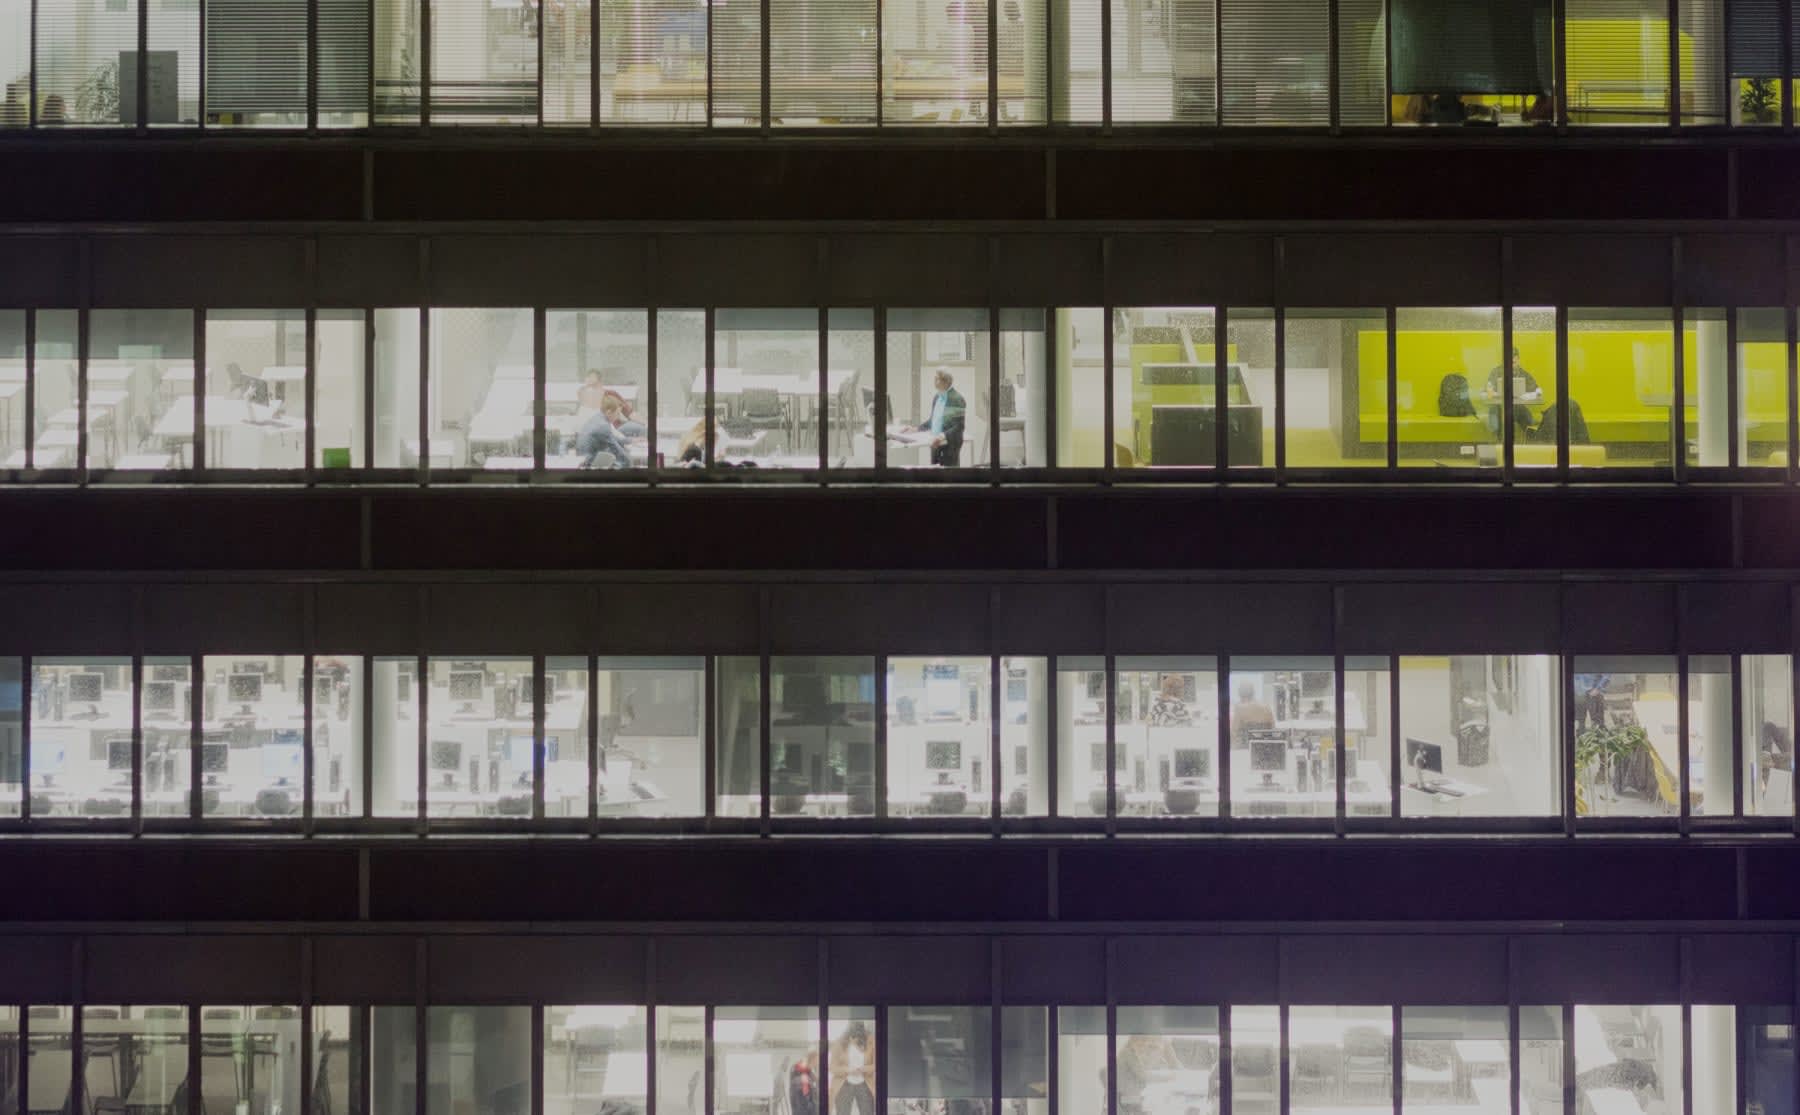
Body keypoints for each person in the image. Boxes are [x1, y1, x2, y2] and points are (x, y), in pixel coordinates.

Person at [911, 369, 967, 467]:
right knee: (935, 472)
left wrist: (941, 436)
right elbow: (932, 421)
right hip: (935, 443)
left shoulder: (957, 399)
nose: (934, 381)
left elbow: (959, 426)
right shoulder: (937, 397)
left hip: (949, 445)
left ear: (946, 382)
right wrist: (916, 429)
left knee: (949, 474)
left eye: (937, 379)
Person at [1483, 347, 1541, 438]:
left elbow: (1538, 391)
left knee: (1526, 417)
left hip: (1517, 408)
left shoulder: (1523, 374)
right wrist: (1494, 394)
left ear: (1518, 360)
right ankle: (1499, 440)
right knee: (1495, 414)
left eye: (1513, 362)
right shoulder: (1495, 372)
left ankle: (1531, 439)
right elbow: (1486, 391)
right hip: (1498, 407)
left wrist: (1527, 395)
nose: (1511, 365)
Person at [829, 1021, 875, 1115]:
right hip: (844, 1084)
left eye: (858, 1038)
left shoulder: (871, 1042)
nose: (854, 1040)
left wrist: (863, 1069)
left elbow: (876, 1065)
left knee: (867, 1112)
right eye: (852, 1037)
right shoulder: (839, 1043)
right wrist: (847, 1070)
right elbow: (832, 1067)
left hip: (865, 1084)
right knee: (842, 1113)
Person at [1232, 680, 1276, 748]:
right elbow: (1273, 729)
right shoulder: (1267, 707)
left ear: (1240, 694)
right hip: (1265, 747)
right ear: (1253, 693)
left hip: (1246, 747)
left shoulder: (1239, 708)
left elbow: (1234, 732)